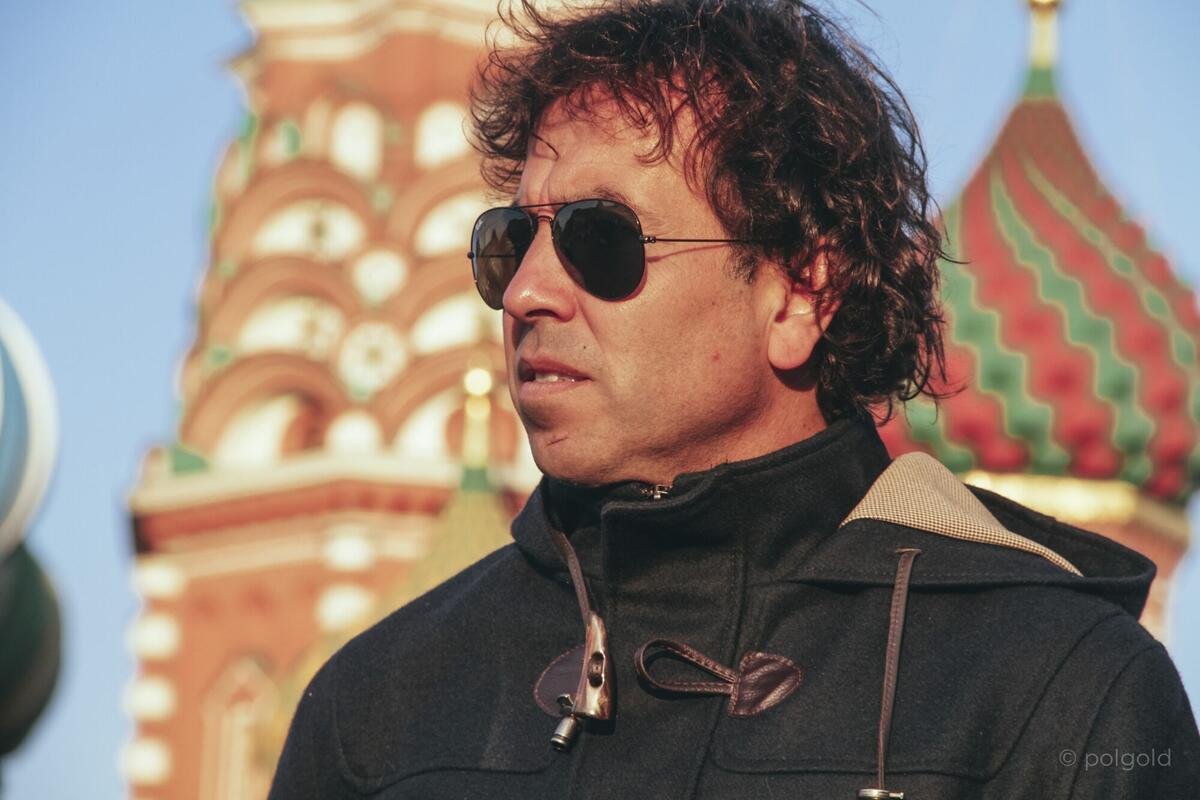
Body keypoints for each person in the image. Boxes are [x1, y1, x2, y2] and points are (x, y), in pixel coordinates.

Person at [268, 1, 1199, 797]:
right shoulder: (380, 712)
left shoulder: (1055, 694)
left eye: (601, 238)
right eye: (511, 240)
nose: (527, 292)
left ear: (799, 292)